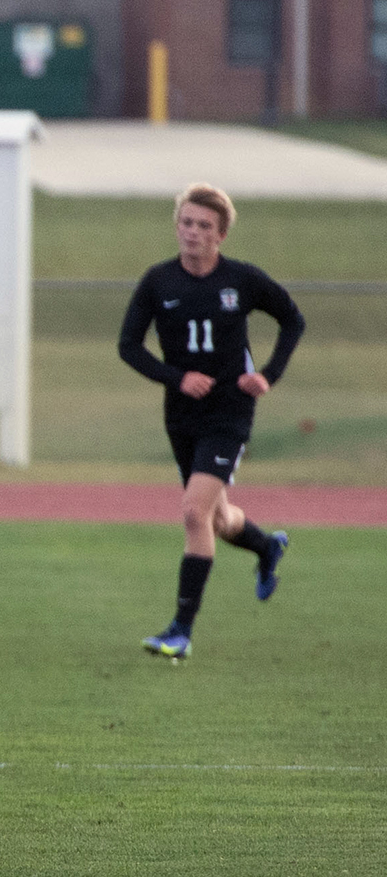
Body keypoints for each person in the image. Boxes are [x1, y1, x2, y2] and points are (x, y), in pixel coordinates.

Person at [120, 183, 304, 661]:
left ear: (220, 234)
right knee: (218, 519)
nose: (193, 232)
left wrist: (267, 375)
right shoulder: (158, 282)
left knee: (192, 512)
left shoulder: (240, 280)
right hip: (181, 415)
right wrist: (176, 378)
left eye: (204, 226)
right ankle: (266, 548)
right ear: (176, 226)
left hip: (229, 413)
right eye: (186, 222)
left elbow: (292, 319)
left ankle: (180, 630)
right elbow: (129, 347)